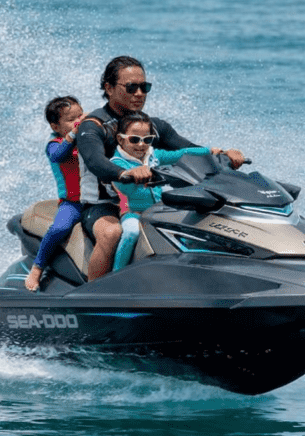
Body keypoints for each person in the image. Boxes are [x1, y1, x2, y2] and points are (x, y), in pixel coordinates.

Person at [75, 56, 245, 281]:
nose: (139, 93)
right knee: (112, 233)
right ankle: (92, 296)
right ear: (109, 88)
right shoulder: (93, 127)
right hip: (103, 206)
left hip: (146, 202)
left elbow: (188, 151)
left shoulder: (153, 127)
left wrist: (222, 155)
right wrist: (124, 173)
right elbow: (95, 161)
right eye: (131, 87)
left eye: (144, 87)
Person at [110, 112, 210, 271]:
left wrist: (212, 152)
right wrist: (135, 173)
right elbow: (125, 188)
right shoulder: (115, 164)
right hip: (133, 212)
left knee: (191, 224)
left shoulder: (154, 156)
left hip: (157, 210)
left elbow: (181, 154)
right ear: (121, 139)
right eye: (135, 139)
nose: (141, 145)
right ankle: (115, 275)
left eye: (147, 140)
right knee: (132, 233)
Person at [25, 95, 84, 292]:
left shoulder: (88, 139)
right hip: (72, 203)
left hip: (96, 200)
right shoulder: (55, 144)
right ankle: (37, 267)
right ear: (55, 127)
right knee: (59, 228)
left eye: (80, 115)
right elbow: (58, 155)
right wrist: (73, 135)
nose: (78, 121)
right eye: (70, 119)